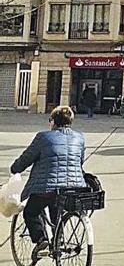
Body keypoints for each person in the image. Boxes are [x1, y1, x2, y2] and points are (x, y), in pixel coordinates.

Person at [10, 106, 87, 257]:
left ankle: (41, 240)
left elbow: (26, 158)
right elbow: (80, 161)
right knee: (56, 210)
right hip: (73, 187)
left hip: (47, 188)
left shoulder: (43, 137)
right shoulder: (80, 137)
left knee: (30, 212)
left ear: (53, 122)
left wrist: (15, 168)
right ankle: (59, 240)